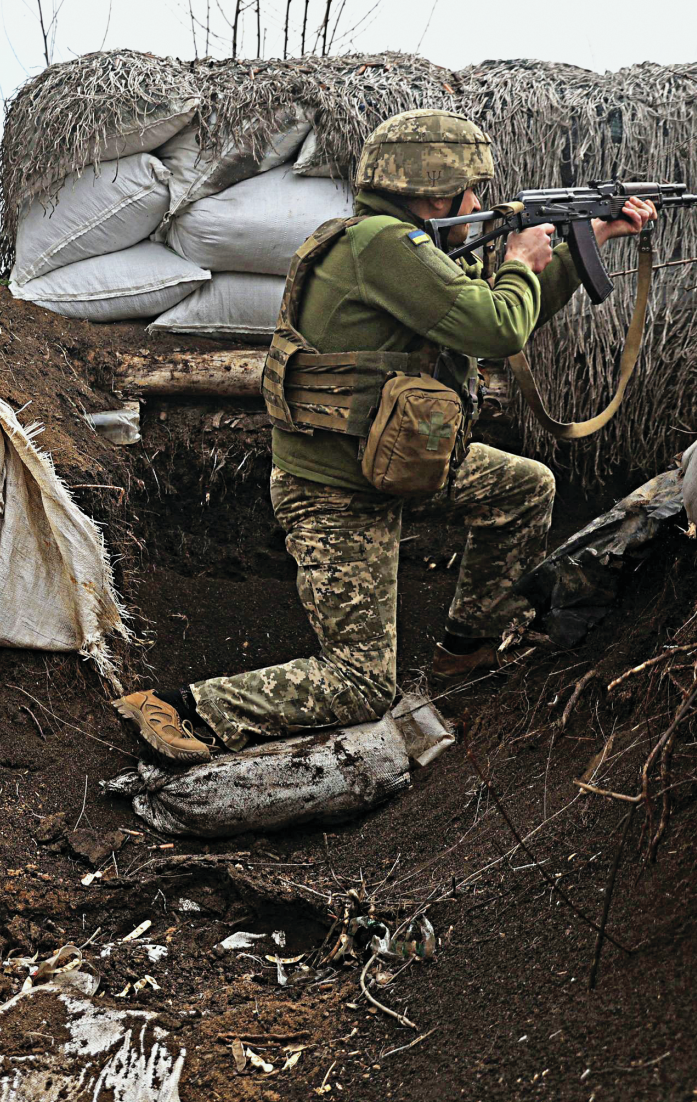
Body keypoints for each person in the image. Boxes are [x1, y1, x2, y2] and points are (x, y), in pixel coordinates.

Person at [113, 110, 656, 764]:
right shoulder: (383, 247)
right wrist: (519, 260)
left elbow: (500, 314)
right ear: (433, 190)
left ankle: (465, 653)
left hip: (400, 462)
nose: (480, 203)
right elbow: (496, 329)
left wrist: (585, 243)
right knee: (361, 684)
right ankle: (185, 709)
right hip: (337, 492)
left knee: (522, 488)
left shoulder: (409, 249)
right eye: (469, 189)